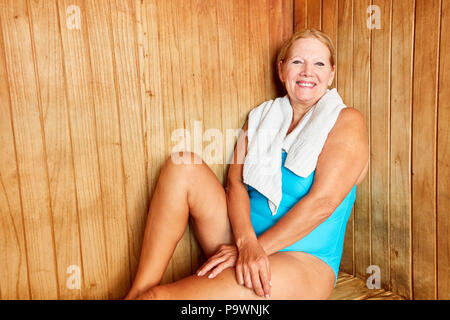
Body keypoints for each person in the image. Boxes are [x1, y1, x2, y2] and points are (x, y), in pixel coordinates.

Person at [124, 29, 369, 300]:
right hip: (243, 238)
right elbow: (236, 184)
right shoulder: (262, 117)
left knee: (158, 300)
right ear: (281, 69)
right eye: (297, 61)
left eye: (319, 64)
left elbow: (323, 203)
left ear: (331, 73)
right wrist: (245, 243)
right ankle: (137, 290)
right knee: (182, 165)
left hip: (302, 260)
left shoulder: (347, 121)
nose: (307, 71)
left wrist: (256, 248)